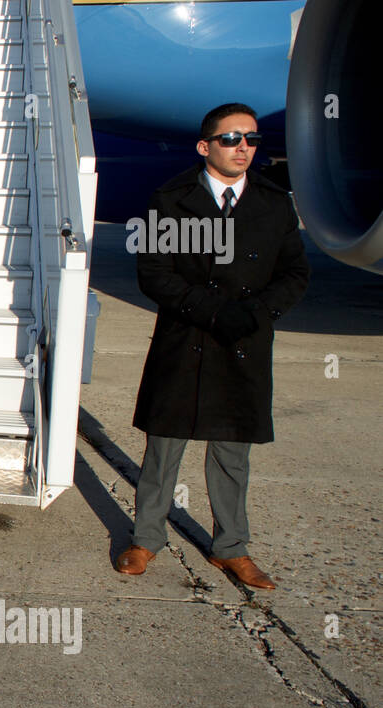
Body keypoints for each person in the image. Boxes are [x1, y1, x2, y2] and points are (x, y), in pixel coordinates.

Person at [114, 102, 310, 589]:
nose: (243, 147)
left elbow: (294, 272)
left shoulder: (274, 200)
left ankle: (231, 548)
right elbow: (155, 275)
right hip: (186, 340)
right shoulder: (171, 199)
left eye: (251, 140)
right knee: (163, 448)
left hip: (244, 342)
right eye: (231, 139)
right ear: (206, 146)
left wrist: (257, 314)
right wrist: (214, 311)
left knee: (233, 453)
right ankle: (145, 540)